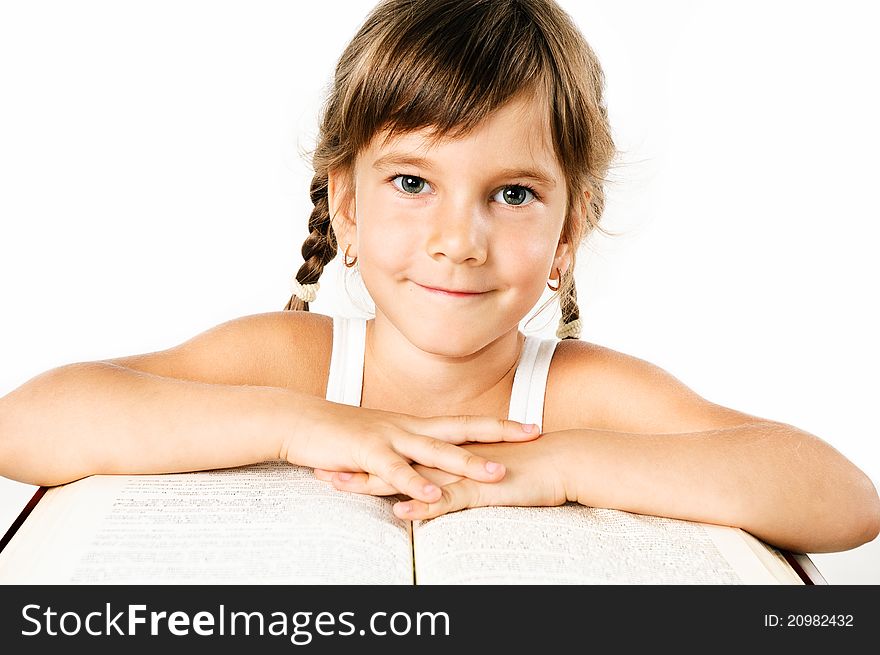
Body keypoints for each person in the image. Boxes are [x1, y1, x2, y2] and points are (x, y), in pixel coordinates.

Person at [0, 0, 877, 556]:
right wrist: (301, 425)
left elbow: (841, 498)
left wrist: (568, 464)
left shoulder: (580, 392)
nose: (460, 240)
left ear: (570, 229)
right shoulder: (291, 361)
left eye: (513, 192)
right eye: (414, 182)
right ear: (346, 203)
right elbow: (24, 425)